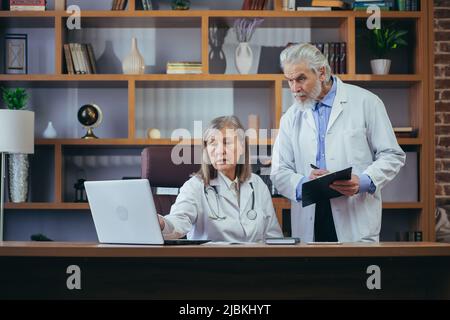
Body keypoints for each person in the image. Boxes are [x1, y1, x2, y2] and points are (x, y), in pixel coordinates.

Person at [270, 43, 406, 242]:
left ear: (322, 73)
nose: (294, 88)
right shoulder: (291, 117)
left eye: (301, 79)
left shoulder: (366, 102)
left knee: (354, 272)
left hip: (355, 216)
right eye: (289, 81)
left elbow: (392, 155)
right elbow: (279, 171)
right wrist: (303, 184)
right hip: (311, 217)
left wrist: (363, 181)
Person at [158, 115, 283, 242]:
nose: (220, 151)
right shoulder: (195, 187)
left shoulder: (257, 184)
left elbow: (273, 236)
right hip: (213, 260)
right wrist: (162, 223)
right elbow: (178, 220)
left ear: (242, 147)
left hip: (256, 260)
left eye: (227, 142)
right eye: (212, 143)